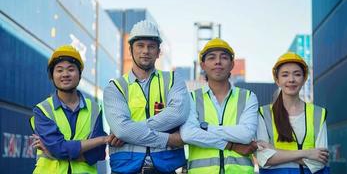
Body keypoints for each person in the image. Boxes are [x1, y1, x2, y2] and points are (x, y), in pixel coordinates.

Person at [104, 20, 190, 173]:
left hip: (167, 168)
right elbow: (122, 130)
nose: (145, 51)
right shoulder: (115, 87)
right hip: (126, 169)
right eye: (140, 45)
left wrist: (129, 130)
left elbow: (177, 114)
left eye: (151, 46)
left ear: (158, 52)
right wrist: (168, 139)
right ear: (130, 50)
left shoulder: (172, 80)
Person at [30, 45, 118, 174]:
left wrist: (55, 153)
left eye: (71, 69)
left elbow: (98, 153)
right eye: (59, 70)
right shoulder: (43, 110)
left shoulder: (94, 108)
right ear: (52, 76)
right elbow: (59, 148)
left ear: (79, 74)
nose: (65, 74)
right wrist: (102, 139)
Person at [180, 38, 259, 174]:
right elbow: (188, 134)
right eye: (211, 58)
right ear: (203, 65)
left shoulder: (248, 97)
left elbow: (246, 135)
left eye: (224, 57)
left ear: (232, 64)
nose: (218, 61)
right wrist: (231, 145)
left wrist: (204, 127)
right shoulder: (191, 97)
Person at [256, 52, 330, 174]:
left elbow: (320, 160)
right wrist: (307, 153)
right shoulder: (264, 113)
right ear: (277, 80)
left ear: (304, 79)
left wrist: (275, 151)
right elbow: (263, 159)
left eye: (297, 74)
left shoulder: (318, 113)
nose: (291, 79)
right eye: (285, 75)